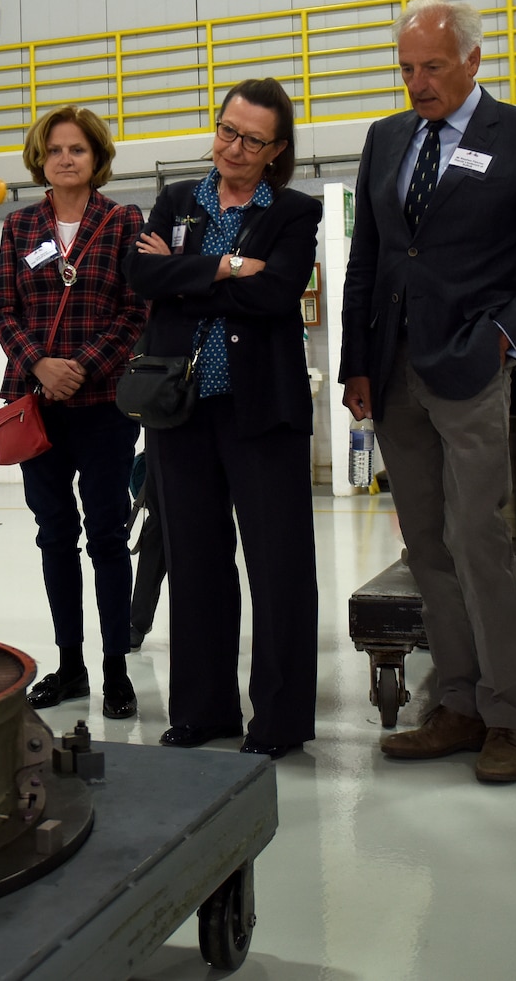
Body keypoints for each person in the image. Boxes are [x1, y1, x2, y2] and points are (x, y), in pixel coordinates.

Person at [340, 0, 516, 785]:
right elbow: (368, 260)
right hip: (394, 369)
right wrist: (356, 362)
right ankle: (456, 703)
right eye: (407, 68)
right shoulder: (386, 139)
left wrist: (504, 338)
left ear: (475, 60)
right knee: (425, 546)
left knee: (478, 536)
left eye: (433, 67)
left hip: (473, 366)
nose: (418, 83)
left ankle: (508, 712)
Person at [126, 78, 323, 759]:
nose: (233, 147)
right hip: (180, 413)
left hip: (260, 410)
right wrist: (230, 265)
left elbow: (275, 293)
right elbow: (142, 276)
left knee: (279, 566)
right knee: (196, 562)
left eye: (252, 139)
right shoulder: (179, 199)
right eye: (226, 130)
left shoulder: (296, 211)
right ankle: (203, 710)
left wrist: (187, 273)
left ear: (277, 151)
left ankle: (280, 718)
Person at [0, 107, 147, 719]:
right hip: (37, 408)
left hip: (105, 405)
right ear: (40, 159)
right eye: (54, 149)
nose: (64, 159)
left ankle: (115, 670)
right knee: (55, 538)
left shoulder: (121, 221)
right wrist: (41, 366)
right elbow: (5, 312)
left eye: (77, 149)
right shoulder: (19, 226)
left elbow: (135, 314)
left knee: (107, 539)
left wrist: (77, 365)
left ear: (96, 157)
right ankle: (71, 666)